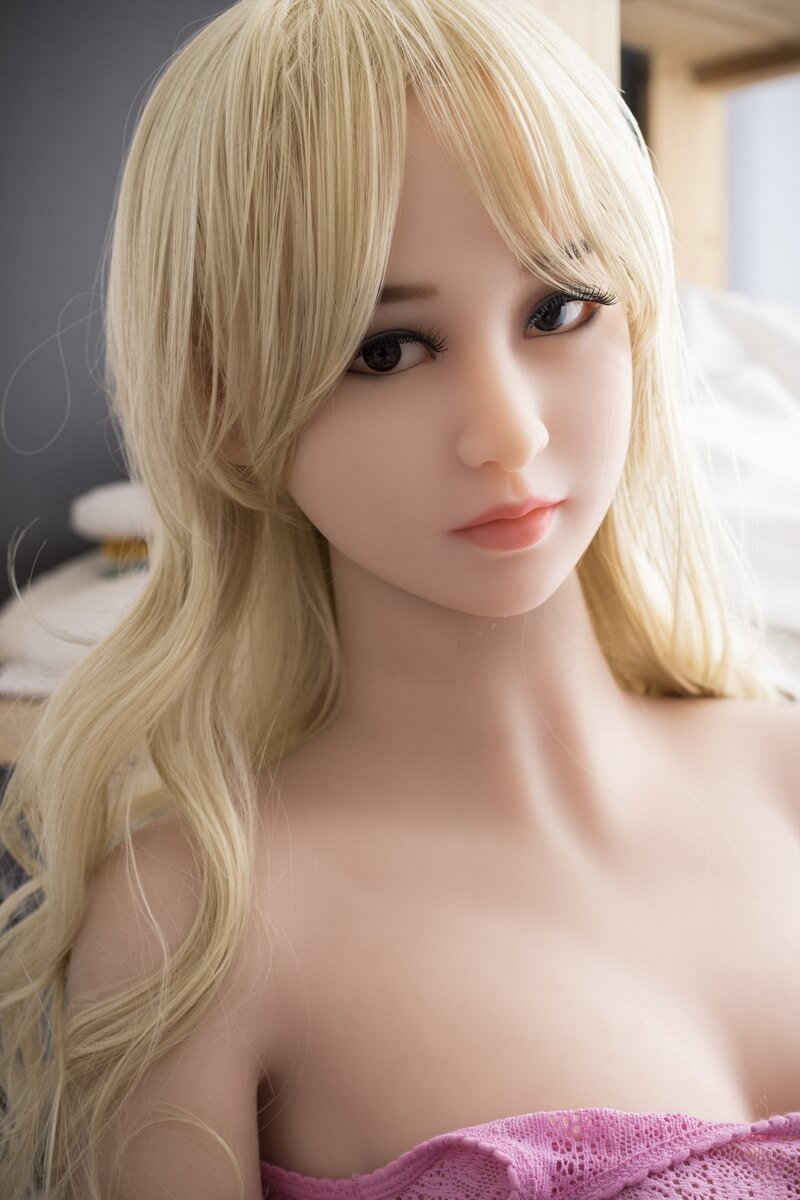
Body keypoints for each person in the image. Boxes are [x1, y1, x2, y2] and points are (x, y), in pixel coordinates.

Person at [1, 1, 798, 1197]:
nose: (506, 432)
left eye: (557, 309)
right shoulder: (196, 931)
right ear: (224, 404)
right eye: (386, 350)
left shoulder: (785, 775)